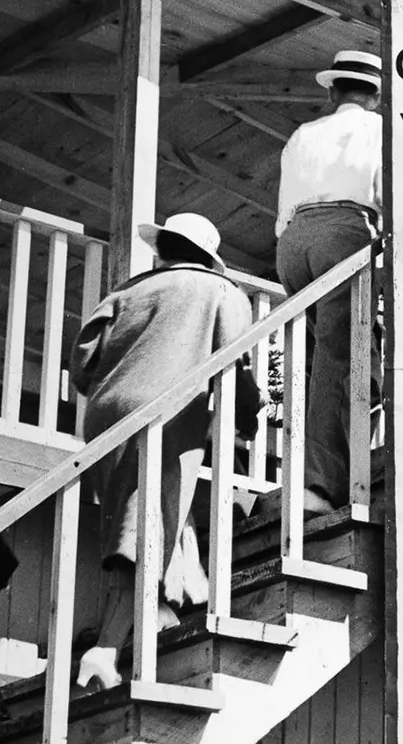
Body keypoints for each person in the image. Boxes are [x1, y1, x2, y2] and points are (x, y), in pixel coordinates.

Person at [70, 212, 262, 691]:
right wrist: (246, 415)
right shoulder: (221, 293)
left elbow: (82, 363)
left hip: (105, 411)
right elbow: (232, 365)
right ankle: (105, 651)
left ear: (166, 249)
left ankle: (169, 609)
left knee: (153, 514)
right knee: (143, 528)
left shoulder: (128, 291)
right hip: (167, 412)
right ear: (209, 258)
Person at [275, 49, 382, 511]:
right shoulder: (379, 130)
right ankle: (319, 483)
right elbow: (384, 192)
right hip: (345, 231)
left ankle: (309, 470)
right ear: (375, 97)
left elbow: (282, 212)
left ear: (334, 90)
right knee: (344, 361)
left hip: (294, 241)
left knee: (320, 363)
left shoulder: (303, 133)